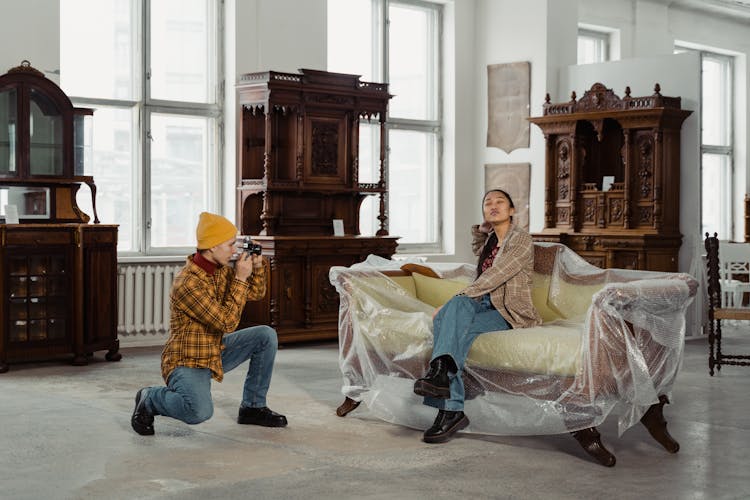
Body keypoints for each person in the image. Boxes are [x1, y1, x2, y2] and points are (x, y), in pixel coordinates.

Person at [131, 212, 287, 435]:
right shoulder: (187, 283)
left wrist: (257, 264)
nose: (235, 250)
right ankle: (151, 398)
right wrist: (241, 278)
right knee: (198, 412)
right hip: (188, 360)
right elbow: (227, 322)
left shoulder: (220, 271)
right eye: (231, 244)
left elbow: (255, 292)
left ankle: (253, 407)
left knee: (265, 335)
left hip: (215, 351)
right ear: (213, 246)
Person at [413, 189, 541, 443]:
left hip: (507, 310)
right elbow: (477, 248)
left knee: (448, 319)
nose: (493, 206)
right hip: (482, 302)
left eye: (500, 202)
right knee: (455, 314)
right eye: (487, 203)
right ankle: (445, 389)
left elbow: (495, 275)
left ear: (512, 210)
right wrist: (481, 229)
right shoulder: (490, 241)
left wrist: (452, 302)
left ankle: (449, 406)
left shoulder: (521, 240)